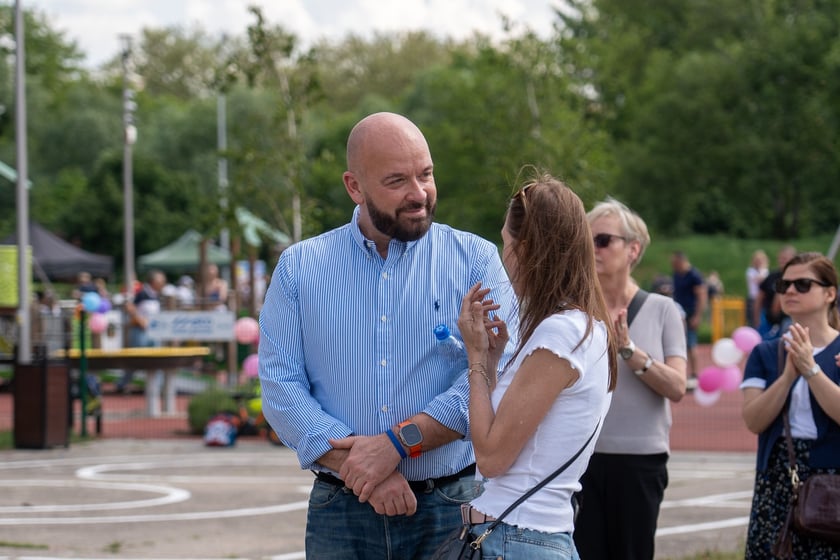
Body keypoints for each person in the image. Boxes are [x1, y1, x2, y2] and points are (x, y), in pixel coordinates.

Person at [257, 112, 517, 559]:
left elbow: (495, 373)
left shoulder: (475, 259)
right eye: (397, 180)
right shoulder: (300, 268)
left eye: (426, 174)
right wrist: (365, 469)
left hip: (450, 506)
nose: (419, 194)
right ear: (354, 187)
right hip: (341, 508)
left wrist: (397, 444)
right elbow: (281, 389)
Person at [453, 172, 615, 559]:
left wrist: (474, 357)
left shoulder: (560, 334)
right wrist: (492, 365)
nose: (504, 256)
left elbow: (492, 458)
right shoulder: (586, 328)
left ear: (525, 249)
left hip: (517, 536)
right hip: (532, 534)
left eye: (506, 243)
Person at [574, 199, 687, 560]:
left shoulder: (662, 309)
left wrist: (631, 353)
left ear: (633, 248)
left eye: (604, 240)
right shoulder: (574, 309)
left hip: (640, 460)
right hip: (582, 459)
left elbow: (677, 386)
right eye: (587, 240)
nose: (594, 249)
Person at [741, 252, 840, 558]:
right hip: (776, 478)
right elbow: (754, 421)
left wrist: (811, 369)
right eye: (784, 285)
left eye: (802, 284)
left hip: (832, 478)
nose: (790, 291)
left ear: (829, 293)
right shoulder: (765, 353)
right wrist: (786, 378)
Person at [117, 269, 166, 393]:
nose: (163, 282)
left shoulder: (156, 294)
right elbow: (129, 306)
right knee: (135, 360)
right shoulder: (142, 292)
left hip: (153, 332)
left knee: (157, 360)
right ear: (154, 280)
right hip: (140, 332)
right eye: (161, 279)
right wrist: (140, 320)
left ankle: (156, 386)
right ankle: (122, 383)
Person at [671, 251, 706, 383]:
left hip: (690, 311)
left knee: (691, 343)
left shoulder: (694, 276)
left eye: (675, 263)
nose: (673, 266)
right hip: (678, 311)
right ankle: (680, 371)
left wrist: (697, 315)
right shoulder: (676, 274)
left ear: (681, 261)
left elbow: (701, 296)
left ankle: (695, 373)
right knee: (679, 343)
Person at [754, 244, 797, 340]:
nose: (782, 260)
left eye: (785, 258)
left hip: (788, 318)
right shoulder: (772, 276)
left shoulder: (798, 278)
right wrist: (757, 318)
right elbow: (759, 297)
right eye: (780, 258)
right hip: (768, 317)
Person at [746, 250, 769, 329]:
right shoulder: (750, 271)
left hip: (763, 299)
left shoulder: (765, 271)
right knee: (752, 320)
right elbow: (759, 280)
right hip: (753, 299)